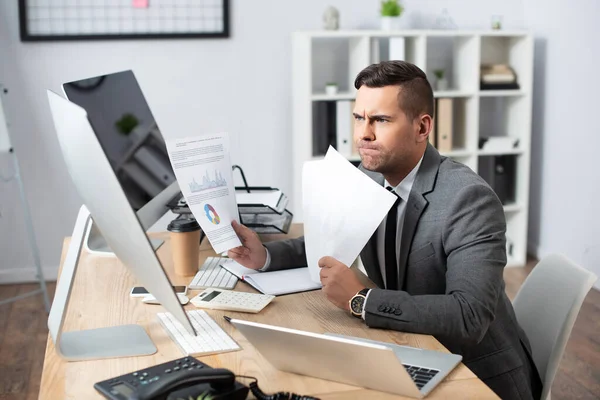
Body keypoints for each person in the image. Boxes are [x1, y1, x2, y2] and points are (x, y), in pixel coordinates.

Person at [228, 60, 542, 400]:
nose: (364, 133)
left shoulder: (468, 200)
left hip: (476, 376)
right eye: (360, 118)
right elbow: (327, 239)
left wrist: (362, 299)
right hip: (407, 348)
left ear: (422, 128)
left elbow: (468, 317)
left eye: (380, 120)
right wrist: (265, 255)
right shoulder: (370, 176)